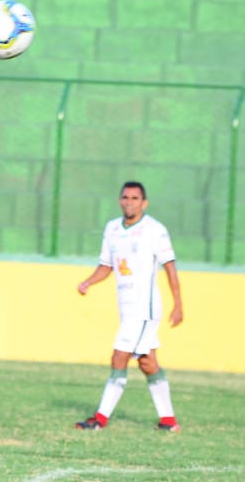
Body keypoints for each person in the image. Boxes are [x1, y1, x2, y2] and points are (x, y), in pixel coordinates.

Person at [74, 181, 184, 432]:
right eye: (125, 197)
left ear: (144, 203)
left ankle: (99, 419)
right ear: (119, 200)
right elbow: (107, 266)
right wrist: (88, 282)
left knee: (119, 356)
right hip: (127, 309)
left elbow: (169, 266)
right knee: (147, 362)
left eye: (135, 198)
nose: (129, 201)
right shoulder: (112, 229)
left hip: (145, 310)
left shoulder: (155, 230)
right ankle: (168, 421)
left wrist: (178, 304)